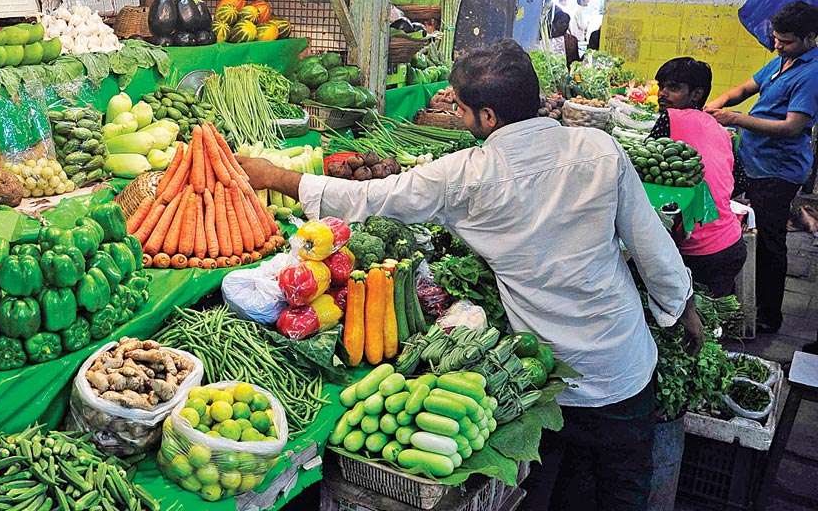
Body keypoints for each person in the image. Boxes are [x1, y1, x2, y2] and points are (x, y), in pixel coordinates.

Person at [237, 40, 701, 511]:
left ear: (489, 117)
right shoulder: (599, 149)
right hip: (621, 363)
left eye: (459, 108)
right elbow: (651, 246)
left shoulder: (467, 174)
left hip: (543, 373)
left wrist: (277, 177)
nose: (456, 115)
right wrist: (684, 311)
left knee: (546, 488)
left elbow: (374, 198)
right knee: (622, 490)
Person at [706, 1, 818, 335]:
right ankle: (742, 290)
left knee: (770, 239)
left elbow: (791, 127)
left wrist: (736, 119)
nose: (777, 45)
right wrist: (717, 104)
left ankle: (769, 314)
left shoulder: (812, 74)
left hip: (778, 169)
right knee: (749, 221)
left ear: (811, 37)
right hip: (755, 159)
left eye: (785, 41)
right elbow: (745, 88)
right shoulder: (782, 61)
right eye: (776, 38)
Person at [651, 57, 745, 296]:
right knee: (717, 318)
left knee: (692, 322)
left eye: (673, 88)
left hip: (700, 250)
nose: (662, 93)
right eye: (661, 86)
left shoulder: (669, 119)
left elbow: (644, 176)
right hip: (731, 243)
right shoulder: (721, 130)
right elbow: (740, 181)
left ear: (696, 94)